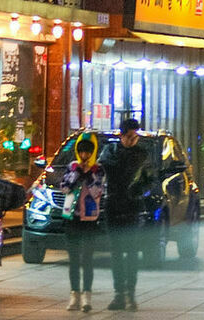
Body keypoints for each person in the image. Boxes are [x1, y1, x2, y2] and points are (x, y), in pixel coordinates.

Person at [98, 115, 153, 312]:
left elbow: (149, 179)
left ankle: (130, 293)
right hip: (113, 206)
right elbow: (103, 170)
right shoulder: (110, 152)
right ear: (121, 136)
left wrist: (141, 189)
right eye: (130, 136)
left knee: (130, 252)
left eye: (135, 137)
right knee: (116, 253)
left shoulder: (142, 154)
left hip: (132, 208)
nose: (133, 140)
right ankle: (119, 293)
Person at [61, 131, 106, 314]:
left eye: (88, 152)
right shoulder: (72, 167)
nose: (85, 155)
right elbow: (64, 187)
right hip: (72, 218)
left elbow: (98, 192)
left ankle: (87, 296)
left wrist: (88, 175)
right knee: (73, 259)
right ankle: (74, 295)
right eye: (82, 152)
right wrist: (77, 173)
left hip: (89, 220)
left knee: (87, 259)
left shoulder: (98, 170)